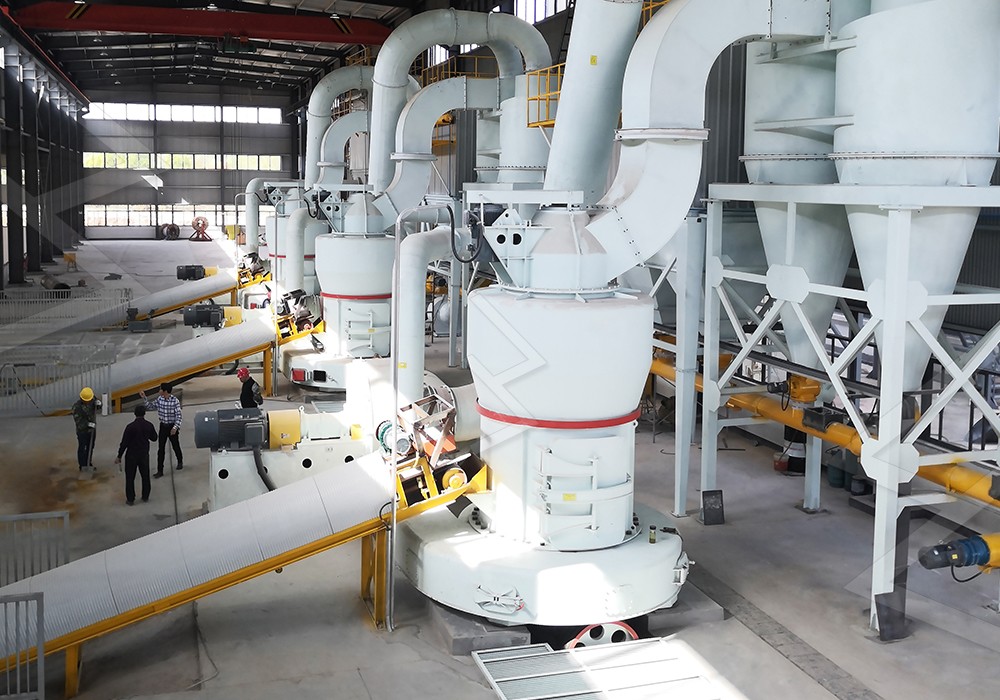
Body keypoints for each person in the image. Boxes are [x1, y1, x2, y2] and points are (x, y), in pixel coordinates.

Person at [114, 406, 157, 505]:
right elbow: (154, 438)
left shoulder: (130, 427)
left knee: (130, 478)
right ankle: (145, 496)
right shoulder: (148, 425)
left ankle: (130, 499)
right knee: (145, 476)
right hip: (144, 454)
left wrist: (119, 456)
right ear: (144, 413)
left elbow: (124, 443)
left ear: (135, 414)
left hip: (131, 455)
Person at [140, 382, 183, 478]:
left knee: (175, 446)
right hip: (163, 427)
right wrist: (144, 397)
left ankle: (180, 461)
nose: (159, 391)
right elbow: (150, 406)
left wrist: (175, 427)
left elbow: (179, 416)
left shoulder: (175, 401)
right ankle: (160, 470)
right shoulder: (160, 399)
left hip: (172, 427)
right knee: (161, 449)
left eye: (160, 389)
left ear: (165, 391)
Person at [72, 387, 99, 470]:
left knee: (90, 446)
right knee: (82, 448)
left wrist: (99, 404)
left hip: (92, 430)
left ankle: (88, 462)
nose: (90, 401)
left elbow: (96, 403)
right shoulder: (77, 408)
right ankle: (82, 465)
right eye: (88, 400)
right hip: (82, 432)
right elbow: (79, 422)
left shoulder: (91, 399)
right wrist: (88, 424)